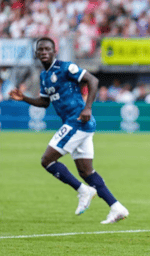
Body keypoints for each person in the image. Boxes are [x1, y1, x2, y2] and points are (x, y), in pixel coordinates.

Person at [9, 37, 129, 224]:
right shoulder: (44, 76)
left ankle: (84, 191)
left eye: (48, 49)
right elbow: (44, 102)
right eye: (40, 49)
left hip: (78, 121)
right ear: (36, 53)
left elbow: (93, 80)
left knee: (47, 160)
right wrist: (24, 98)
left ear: (54, 51)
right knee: (86, 172)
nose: (44, 52)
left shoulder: (66, 68)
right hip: (76, 124)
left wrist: (88, 107)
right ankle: (116, 207)